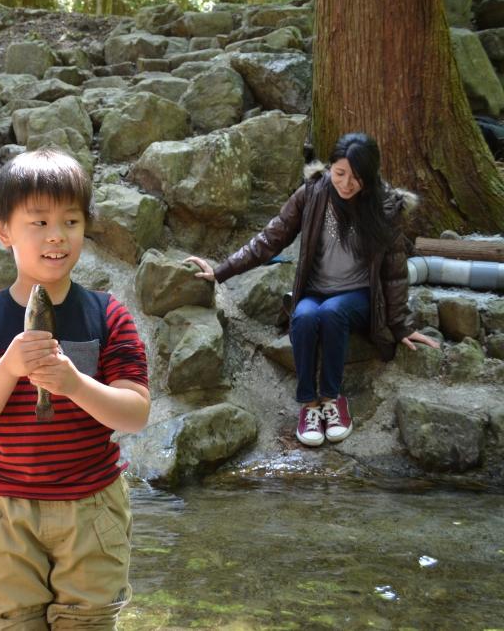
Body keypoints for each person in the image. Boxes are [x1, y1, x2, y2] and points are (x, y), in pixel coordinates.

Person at [0, 148, 150, 629]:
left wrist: (74, 383)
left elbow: (136, 413)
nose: (57, 235)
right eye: (38, 222)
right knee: (10, 621)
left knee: (90, 621)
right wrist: (9, 367)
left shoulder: (108, 314)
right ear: (4, 231)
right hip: (4, 509)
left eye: (71, 221)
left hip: (92, 504)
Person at [185, 132, 440, 448]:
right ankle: (309, 405)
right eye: (340, 173)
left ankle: (332, 400)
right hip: (315, 291)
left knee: (333, 313)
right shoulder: (312, 194)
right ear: (331, 167)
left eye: (356, 177)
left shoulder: (385, 206)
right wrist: (221, 270)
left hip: (358, 296)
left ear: (370, 176)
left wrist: (401, 325)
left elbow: (394, 273)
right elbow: (270, 239)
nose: (346, 183)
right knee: (304, 316)